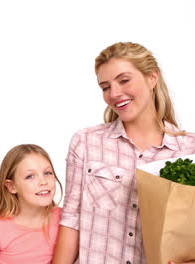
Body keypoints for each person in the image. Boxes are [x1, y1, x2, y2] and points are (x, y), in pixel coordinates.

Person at [53, 42, 195, 264]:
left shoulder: (189, 149)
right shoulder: (86, 142)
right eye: (105, 87)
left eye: (124, 80)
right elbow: (72, 221)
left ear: (152, 78)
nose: (114, 93)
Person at [0, 144, 63, 264]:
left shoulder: (65, 220)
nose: (43, 181)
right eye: (30, 176)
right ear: (12, 186)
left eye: (47, 173)